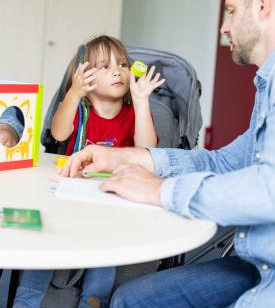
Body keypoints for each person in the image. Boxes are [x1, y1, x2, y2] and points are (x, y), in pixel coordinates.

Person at [62, 0, 275, 307]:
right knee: (131, 299)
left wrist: (162, 190)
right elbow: (230, 162)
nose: (224, 27)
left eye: (231, 10)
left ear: (262, 4)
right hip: (260, 261)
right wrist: (124, 158)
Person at [14, 35, 165, 308]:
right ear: (84, 75)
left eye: (122, 64)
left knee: (103, 250)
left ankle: (93, 301)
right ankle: (26, 300)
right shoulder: (80, 109)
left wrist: (142, 101)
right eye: (104, 67)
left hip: (111, 199)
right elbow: (59, 133)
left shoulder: (133, 113)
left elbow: (148, 149)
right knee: (45, 238)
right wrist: (73, 94)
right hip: (70, 195)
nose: (117, 71)